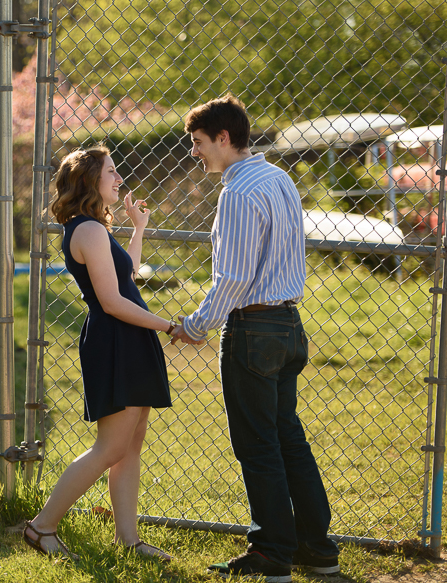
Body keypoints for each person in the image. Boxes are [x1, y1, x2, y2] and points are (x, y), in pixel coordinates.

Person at [171, 95, 340, 582]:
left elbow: (233, 277)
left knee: (259, 444)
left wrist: (197, 324)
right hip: (288, 325)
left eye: (199, 143)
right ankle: (316, 546)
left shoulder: (239, 193)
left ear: (224, 138)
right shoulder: (279, 178)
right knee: (288, 437)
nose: (195, 153)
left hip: (253, 330)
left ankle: (271, 551)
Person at [22, 145, 179, 562]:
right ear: (91, 179)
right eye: (111, 171)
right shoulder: (87, 230)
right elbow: (111, 301)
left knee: (130, 445)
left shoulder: (94, 228)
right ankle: (42, 527)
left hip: (127, 336)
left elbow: (126, 280)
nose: (119, 179)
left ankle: (128, 541)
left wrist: (137, 230)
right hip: (115, 339)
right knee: (110, 447)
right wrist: (169, 326)